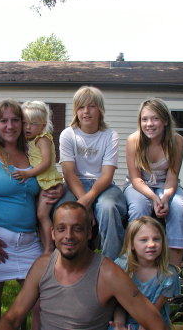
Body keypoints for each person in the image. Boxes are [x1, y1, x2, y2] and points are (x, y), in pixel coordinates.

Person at [0, 100, 62, 330]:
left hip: (29, 243)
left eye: (15, 120)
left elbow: (46, 179)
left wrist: (59, 189)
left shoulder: (31, 152)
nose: (10, 125)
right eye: (4, 120)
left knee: (40, 301)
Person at [0, 201, 168, 330]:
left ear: (89, 233)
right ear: (53, 233)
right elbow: (12, 318)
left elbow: (156, 324)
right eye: (61, 229)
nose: (68, 236)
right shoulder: (42, 267)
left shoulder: (108, 273)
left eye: (77, 228)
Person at [56, 86, 127, 259]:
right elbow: (69, 173)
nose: (86, 112)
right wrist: (84, 207)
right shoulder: (68, 134)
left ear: (100, 109)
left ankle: (112, 265)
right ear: (75, 110)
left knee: (108, 208)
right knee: (62, 210)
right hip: (74, 185)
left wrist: (84, 203)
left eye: (91, 106)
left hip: (103, 186)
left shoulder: (110, 136)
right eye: (81, 107)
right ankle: (64, 263)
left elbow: (107, 175)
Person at [124, 97, 183, 267]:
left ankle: (174, 271)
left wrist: (165, 198)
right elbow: (135, 178)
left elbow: (172, 176)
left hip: (165, 184)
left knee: (178, 208)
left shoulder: (177, 141)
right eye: (144, 119)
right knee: (138, 208)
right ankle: (135, 266)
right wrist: (154, 198)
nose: (149, 124)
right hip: (138, 185)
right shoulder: (133, 141)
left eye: (155, 118)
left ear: (165, 121)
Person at [108, 216, 181, 330]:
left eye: (156, 239)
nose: (151, 244)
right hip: (124, 321)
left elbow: (152, 314)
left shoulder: (169, 275)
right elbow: (119, 303)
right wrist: (119, 324)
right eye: (144, 240)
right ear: (132, 244)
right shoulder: (122, 267)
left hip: (153, 323)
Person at [13, 101, 63, 254]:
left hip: (49, 182)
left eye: (33, 124)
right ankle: (44, 246)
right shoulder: (28, 140)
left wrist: (28, 173)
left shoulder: (42, 139)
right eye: (25, 123)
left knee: (42, 214)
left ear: (43, 125)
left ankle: (50, 247)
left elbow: (47, 162)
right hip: (41, 182)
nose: (28, 127)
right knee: (38, 217)